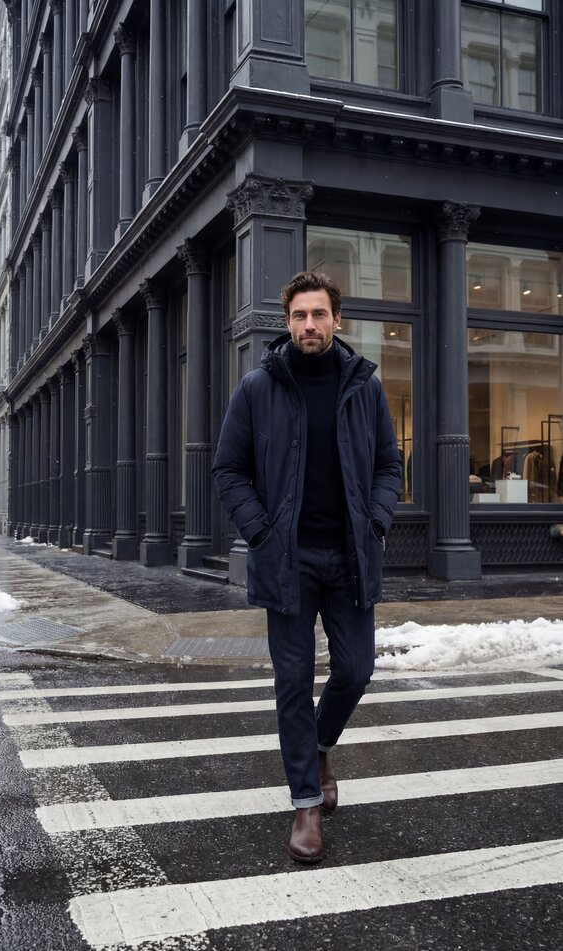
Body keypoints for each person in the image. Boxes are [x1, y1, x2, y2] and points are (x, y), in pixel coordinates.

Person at [213, 271, 401, 863]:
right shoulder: (258, 387)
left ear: (337, 320)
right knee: (293, 682)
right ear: (288, 322)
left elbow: (388, 465)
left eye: (319, 314)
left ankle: (320, 746)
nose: (309, 325)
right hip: (286, 560)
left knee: (356, 669)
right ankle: (306, 804)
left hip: (350, 556)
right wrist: (262, 533)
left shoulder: (364, 385)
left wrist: (375, 521)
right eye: (299, 315)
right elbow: (228, 469)